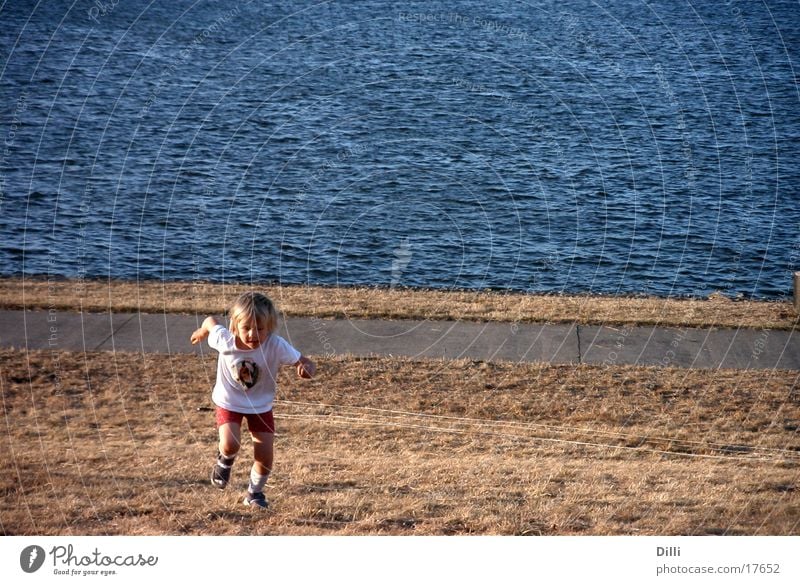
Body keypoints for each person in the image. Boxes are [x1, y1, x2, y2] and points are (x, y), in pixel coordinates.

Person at [190, 291, 316, 509]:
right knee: (230, 444)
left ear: (270, 327)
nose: (252, 334)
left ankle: (254, 494)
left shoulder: (275, 344)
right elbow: (212, 322)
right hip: (229, 401)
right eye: (246, 328)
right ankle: (224, 459)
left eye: (260, 328)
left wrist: (306, 368)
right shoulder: (224, 340)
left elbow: (302, 360)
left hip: (261, 406)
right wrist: (203, 330)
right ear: (234, 326)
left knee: (265, 457)